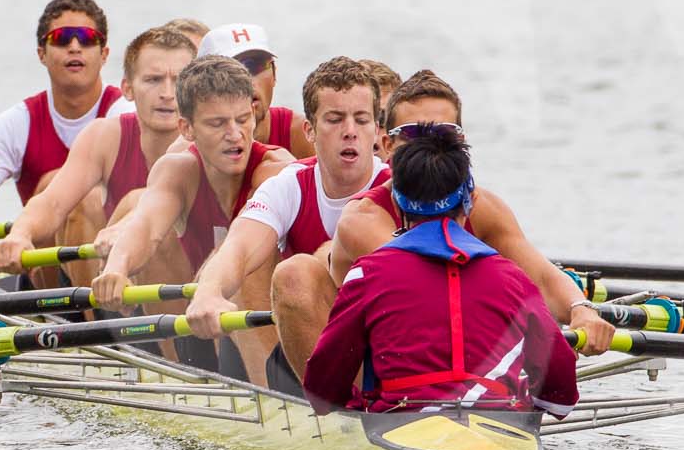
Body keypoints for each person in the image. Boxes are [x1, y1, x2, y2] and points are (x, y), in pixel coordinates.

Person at [273, 68, 615, 376]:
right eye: (415, 134)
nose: (431, 146)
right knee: (295, 273)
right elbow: (427, 284)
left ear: (461, 142)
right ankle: (335, 417)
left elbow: (538, 274)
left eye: (443, 133)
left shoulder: (486, 206)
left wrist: (579, 309)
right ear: (388, 145)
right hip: (371, 371)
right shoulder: (363, 218)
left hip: (444, 360)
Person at [302, 125, 577, 421]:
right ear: (470, 200)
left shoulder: (366, 275)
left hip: (399, 423)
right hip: (498, 423)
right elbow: (560, 391)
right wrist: (528, 402)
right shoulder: (514, 279)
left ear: (396, 201)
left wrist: (354, 411)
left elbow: (322, 391)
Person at [184, 58, 388, 378]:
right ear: (309, 130)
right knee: (282, 269)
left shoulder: (398, 188)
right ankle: (274, 395)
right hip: (309, 353)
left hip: (385, 350)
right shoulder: (288, 185)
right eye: (334, 120)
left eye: (361, 120)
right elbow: (239, 246)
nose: (350, 132)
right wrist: (209, 290)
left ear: (377, 129)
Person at [91, 56, 293, 380]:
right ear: (187, 128)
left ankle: (274, 401)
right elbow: (146, 228)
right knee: (160, 243)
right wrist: (117, 269)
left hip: (276, 337)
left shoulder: (276, 171)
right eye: (217, 124)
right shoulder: (178, 170)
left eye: (243, 119)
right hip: (207, 322)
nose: (235, 135)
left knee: (242, 270)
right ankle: (180, 376)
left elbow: (238, 250)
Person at [0, 24, 196, 284]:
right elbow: (52, 203)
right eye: (153, 80)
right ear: (128, 89)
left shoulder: (208, 142)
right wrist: (20, 233)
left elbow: (156, 202)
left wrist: (125, 229)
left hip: (185, 288)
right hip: (112, 282)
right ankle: (93, 314)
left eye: (178, 81)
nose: (167, 93)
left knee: (148, 216)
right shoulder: (103, 136)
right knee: (81, 200)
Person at [0, 0, 123, 248]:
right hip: (46, 274)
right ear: (41, 54)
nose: (75, 47)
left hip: (114, 264)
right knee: (54, 185)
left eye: (88, 39)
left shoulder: (125, 113)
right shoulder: (17, 124)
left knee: (81, 193)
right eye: (62, 38)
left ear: (104, 54)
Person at [198, 23, 315, 158]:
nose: (247, 81)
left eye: (255, 66)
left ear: (274, 74)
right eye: (229, 71)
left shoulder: (302, 134)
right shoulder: (186, 152)